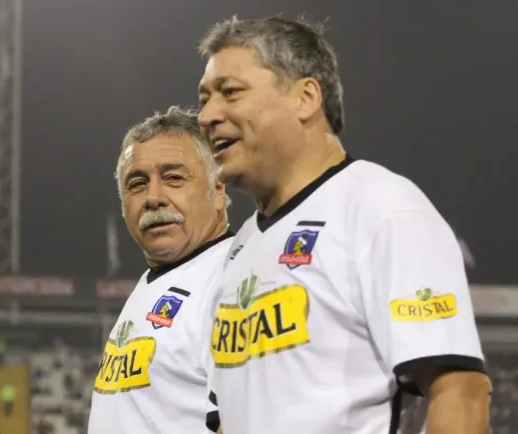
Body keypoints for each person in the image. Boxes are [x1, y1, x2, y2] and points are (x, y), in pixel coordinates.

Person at [197, 15, 491, 434]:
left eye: (230, 92)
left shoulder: (383, 208)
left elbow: (459, 391)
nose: (207, 115)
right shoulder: (240, 249)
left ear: (305, 97)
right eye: (204, 99)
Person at [88, 106, 233, 433]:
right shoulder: (158, 280)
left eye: (173, 178)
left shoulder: (232, 281)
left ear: (218, 188)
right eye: (137, 183)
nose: (153, 197)